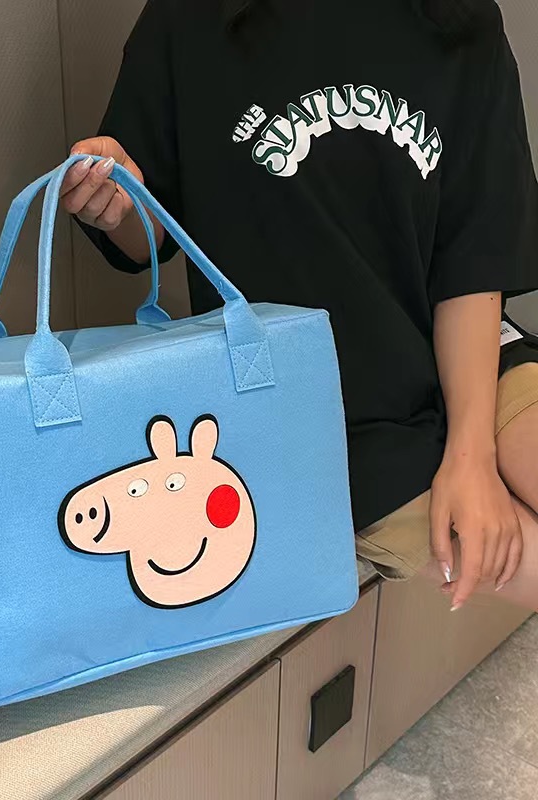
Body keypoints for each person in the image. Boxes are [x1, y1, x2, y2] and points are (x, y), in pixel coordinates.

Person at [60, 0, 538, 611]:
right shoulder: (189, 19)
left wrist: (472, 456)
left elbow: (474, 255)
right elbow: (147, 235)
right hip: (328, 419)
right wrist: (115, 201)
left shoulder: (461, 21)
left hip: (471, 357)